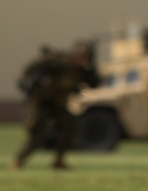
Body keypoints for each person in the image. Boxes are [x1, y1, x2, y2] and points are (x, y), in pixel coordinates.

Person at [12, 40, 100, 170]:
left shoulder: (82, 71)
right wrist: (26, 82)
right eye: (82, 57)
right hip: (41, 101)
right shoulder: (58, 62)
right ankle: (18, 161)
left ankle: (58, 161)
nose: (83, 61)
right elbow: (33, 67)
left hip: (57, 104)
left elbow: (95, 84)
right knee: (37, 134)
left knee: (69, 128)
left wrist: (91, 69)